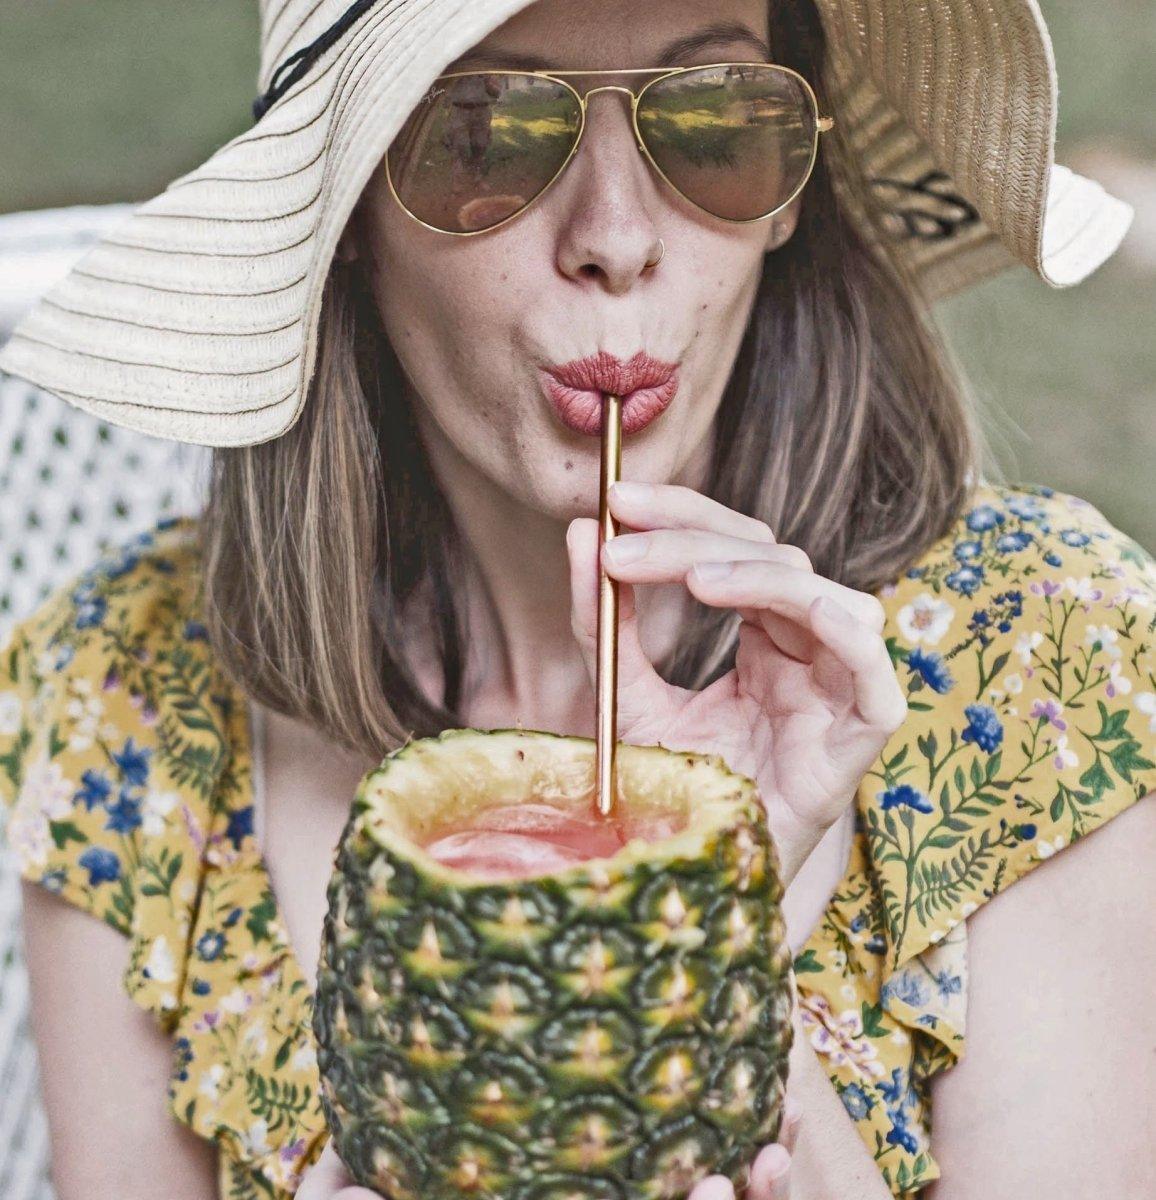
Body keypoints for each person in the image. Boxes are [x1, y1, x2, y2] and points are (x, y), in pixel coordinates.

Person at [0, 0, 1152, 1197]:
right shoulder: (125, 698)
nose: (616, 237)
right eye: (485, 134)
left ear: (791, 192)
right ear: (342, 213)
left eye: (716, 122)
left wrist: (706, 926)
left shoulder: (1041, 662)